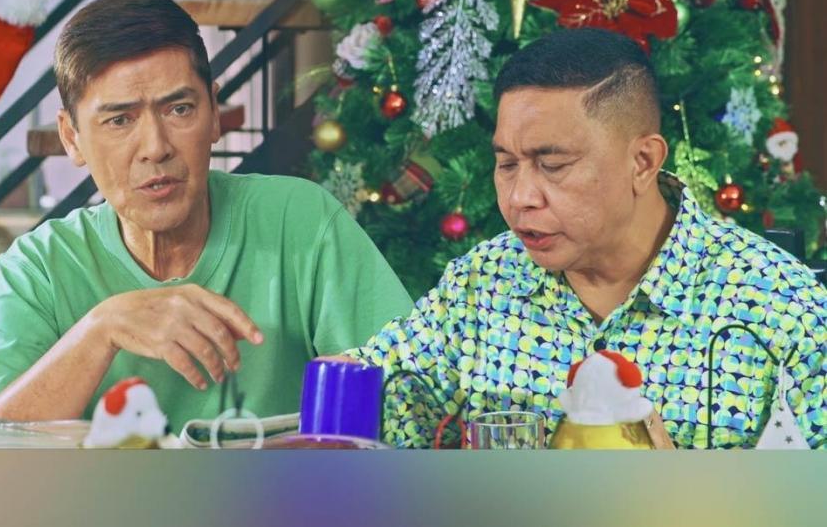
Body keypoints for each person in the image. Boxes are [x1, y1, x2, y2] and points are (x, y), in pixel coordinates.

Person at [348, 28, 825, 449]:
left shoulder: (779, 305)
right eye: (507, 164)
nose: (520, 197)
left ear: (642, 162)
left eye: (553, 165)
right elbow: (373, 396)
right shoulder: (482, 282)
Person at [0, 0, 413, 431]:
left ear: (214, 112)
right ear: (71, 137)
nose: (156, 147)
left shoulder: (301, 219)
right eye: (120, 120)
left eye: (179, 109)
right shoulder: (37, 269)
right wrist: (101, 329)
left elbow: (412, 388)